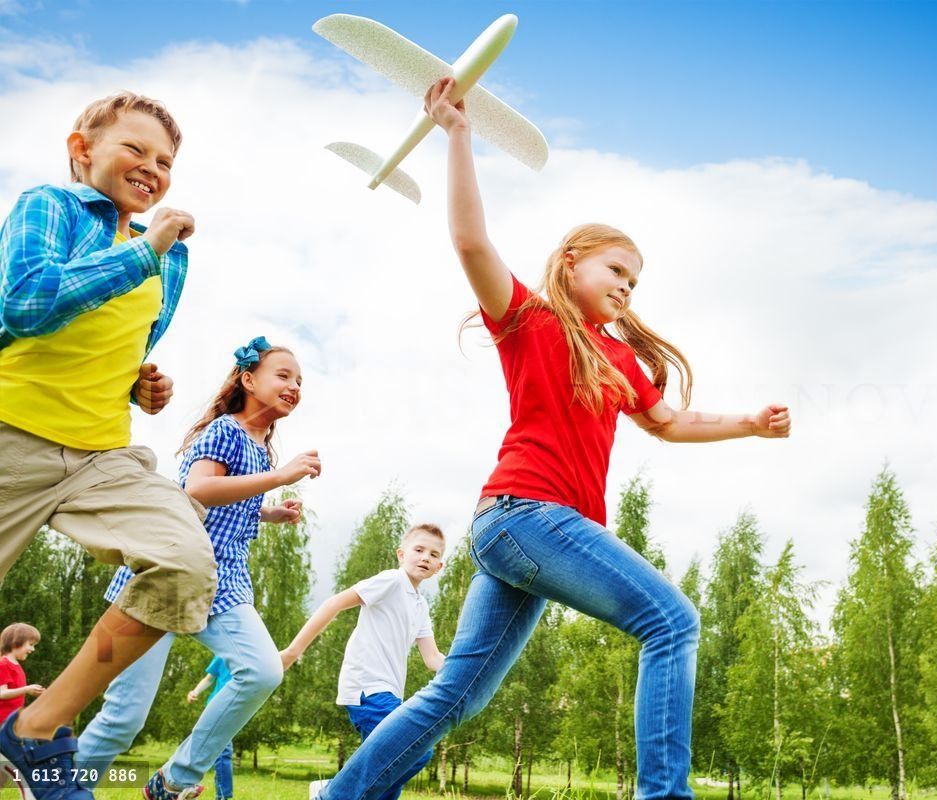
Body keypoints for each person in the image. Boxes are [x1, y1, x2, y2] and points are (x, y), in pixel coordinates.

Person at [316, 76, 792, 800]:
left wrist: (749, 426)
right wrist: (458, 135)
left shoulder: (621, 358)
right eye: (617, 270)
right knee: (672, 620)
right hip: (526, 514)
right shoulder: (529, 321)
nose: (628, 286)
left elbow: (667, 422)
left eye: (636, 279)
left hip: (524, 537)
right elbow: (471, 239)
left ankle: (342, 795)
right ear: (572, 261)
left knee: (459, 695)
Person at [0, 91, 215, 800]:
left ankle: (36, 732)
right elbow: (28, 303)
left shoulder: (171, 262)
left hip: (99, 457)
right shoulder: (51, 207)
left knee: (185, 567)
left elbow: (111, 345)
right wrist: (146, 250)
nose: (152, 169)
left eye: (166, 161)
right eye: (136, 149)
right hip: (10, 439)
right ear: (81, 149)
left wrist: (139, 386)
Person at [77, 337, 321, 800]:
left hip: (223, 578)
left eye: (300, 381)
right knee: (122, 717)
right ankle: (55, 787)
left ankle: (174, 780)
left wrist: (269, 512)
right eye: (283, 375)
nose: (294, 386)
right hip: (164, 573)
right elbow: (199, 489)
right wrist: (279, 477)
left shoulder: (261, 446)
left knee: (263, 670)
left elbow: (230, 503)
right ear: (248, 380)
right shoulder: (224, 430)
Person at [281, 524, 447, 800]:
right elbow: (333, 603)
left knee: (389, 765)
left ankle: (335, 790)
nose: (425, 558)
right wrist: (292, 651)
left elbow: (433, 658)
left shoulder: (421, 605)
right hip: (367, 687)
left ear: (439, 567)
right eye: (418, 550)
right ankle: (333, 791)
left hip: (389, 692)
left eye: (433, 554)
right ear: (401, 554)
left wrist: (474, 671)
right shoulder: (392, 581)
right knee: (416, 750)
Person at [186, 658, 235, 800]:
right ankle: (222, 795)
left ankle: (222, 795)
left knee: (220, 751)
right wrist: (194, 691)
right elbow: (209, 678)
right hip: (215, 706)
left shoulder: (250, 655)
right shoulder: (223, 655)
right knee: (218, 751)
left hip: (232, 708)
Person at [0, 625, 44, 726]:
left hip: (13, 720)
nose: (33, 649)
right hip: (3, 722)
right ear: (16, 643)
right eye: (31, 644)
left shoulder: (16, 665)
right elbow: (2, 693)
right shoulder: (3, 665)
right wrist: (26, 689)